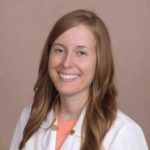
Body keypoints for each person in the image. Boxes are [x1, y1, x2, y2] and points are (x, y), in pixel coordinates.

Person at [10, 9, 148, 150]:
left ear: (100, 62)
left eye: (81, 52)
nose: (66, 63)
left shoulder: (122, 133)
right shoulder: (29, 118)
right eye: (59, 50)